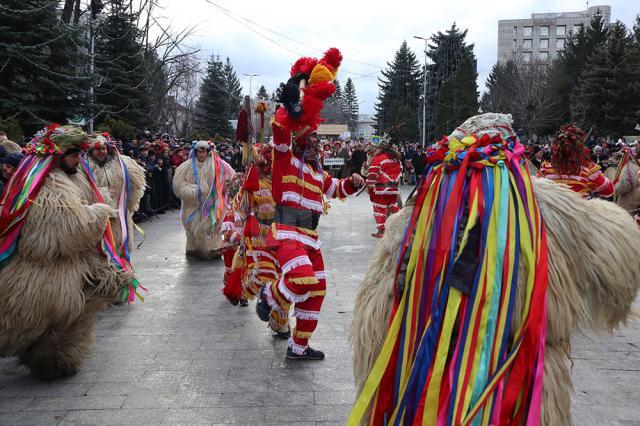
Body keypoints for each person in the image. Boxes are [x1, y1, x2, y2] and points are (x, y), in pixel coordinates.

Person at [0, 124, 139, 378]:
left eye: (79, 154)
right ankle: (48, 357)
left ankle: (56, 357)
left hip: (74, 267)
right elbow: (64, 229)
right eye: (74, 154)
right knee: (53, 318)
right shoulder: (49, 185)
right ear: (57, 156)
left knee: (76, 316)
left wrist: (103, 203)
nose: (79, 158)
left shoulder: (74, 176)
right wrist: (98, 212)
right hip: (49, 271)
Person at [255, 47, 364, 360]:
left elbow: (335, 189)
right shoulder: (285, 157)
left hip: (310, 238)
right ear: (303, 137)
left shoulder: (317, 171)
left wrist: (353, 182)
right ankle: (269, 296)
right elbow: (279, 129)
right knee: (300, 278)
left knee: (316, 291)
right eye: (313, 135)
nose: (317, 140)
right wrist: (294, 101)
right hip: (287, 231)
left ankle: (298, 347)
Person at [83, 133, 146, 256]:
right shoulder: (83, 167)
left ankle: (121, 266)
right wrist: (102, 193)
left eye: (103, 149)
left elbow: (135, 185)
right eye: (97, 149)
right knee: (100, 249)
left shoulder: (122, 164)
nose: (101, 152)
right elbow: (82, 190)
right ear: (91, 151)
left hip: (120, 214)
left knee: (120, 244)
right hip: (96, 217)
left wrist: (128, 205)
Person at [172, 141, 235, 260]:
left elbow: (230, 178)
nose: (202, 154)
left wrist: (225, 187)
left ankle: (214, 247)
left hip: (212, 202)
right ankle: (193, 248)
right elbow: (179, 185)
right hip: (192, 203)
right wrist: (195, 191)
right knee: (192, 225)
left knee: (213, 224)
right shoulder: (186, 166)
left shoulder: (218, 165)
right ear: (195, 152)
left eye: (204, 151)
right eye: (200, 151)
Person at [538, 125, 614, 198]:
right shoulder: (588, 171)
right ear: (579, 149)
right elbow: (609, 190)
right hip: (581, 210)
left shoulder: (545, 171)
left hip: (553, 210)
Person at [365, 135, 403, 238]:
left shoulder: (379, 158)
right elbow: (400, 171)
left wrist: (368, 182)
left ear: (381, 148)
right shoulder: (396, 158)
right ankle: (401, 224)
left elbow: (373, 172)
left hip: (381, 189)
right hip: (393, 188)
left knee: (379, 209)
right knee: (393, 206)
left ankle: (382, 230)